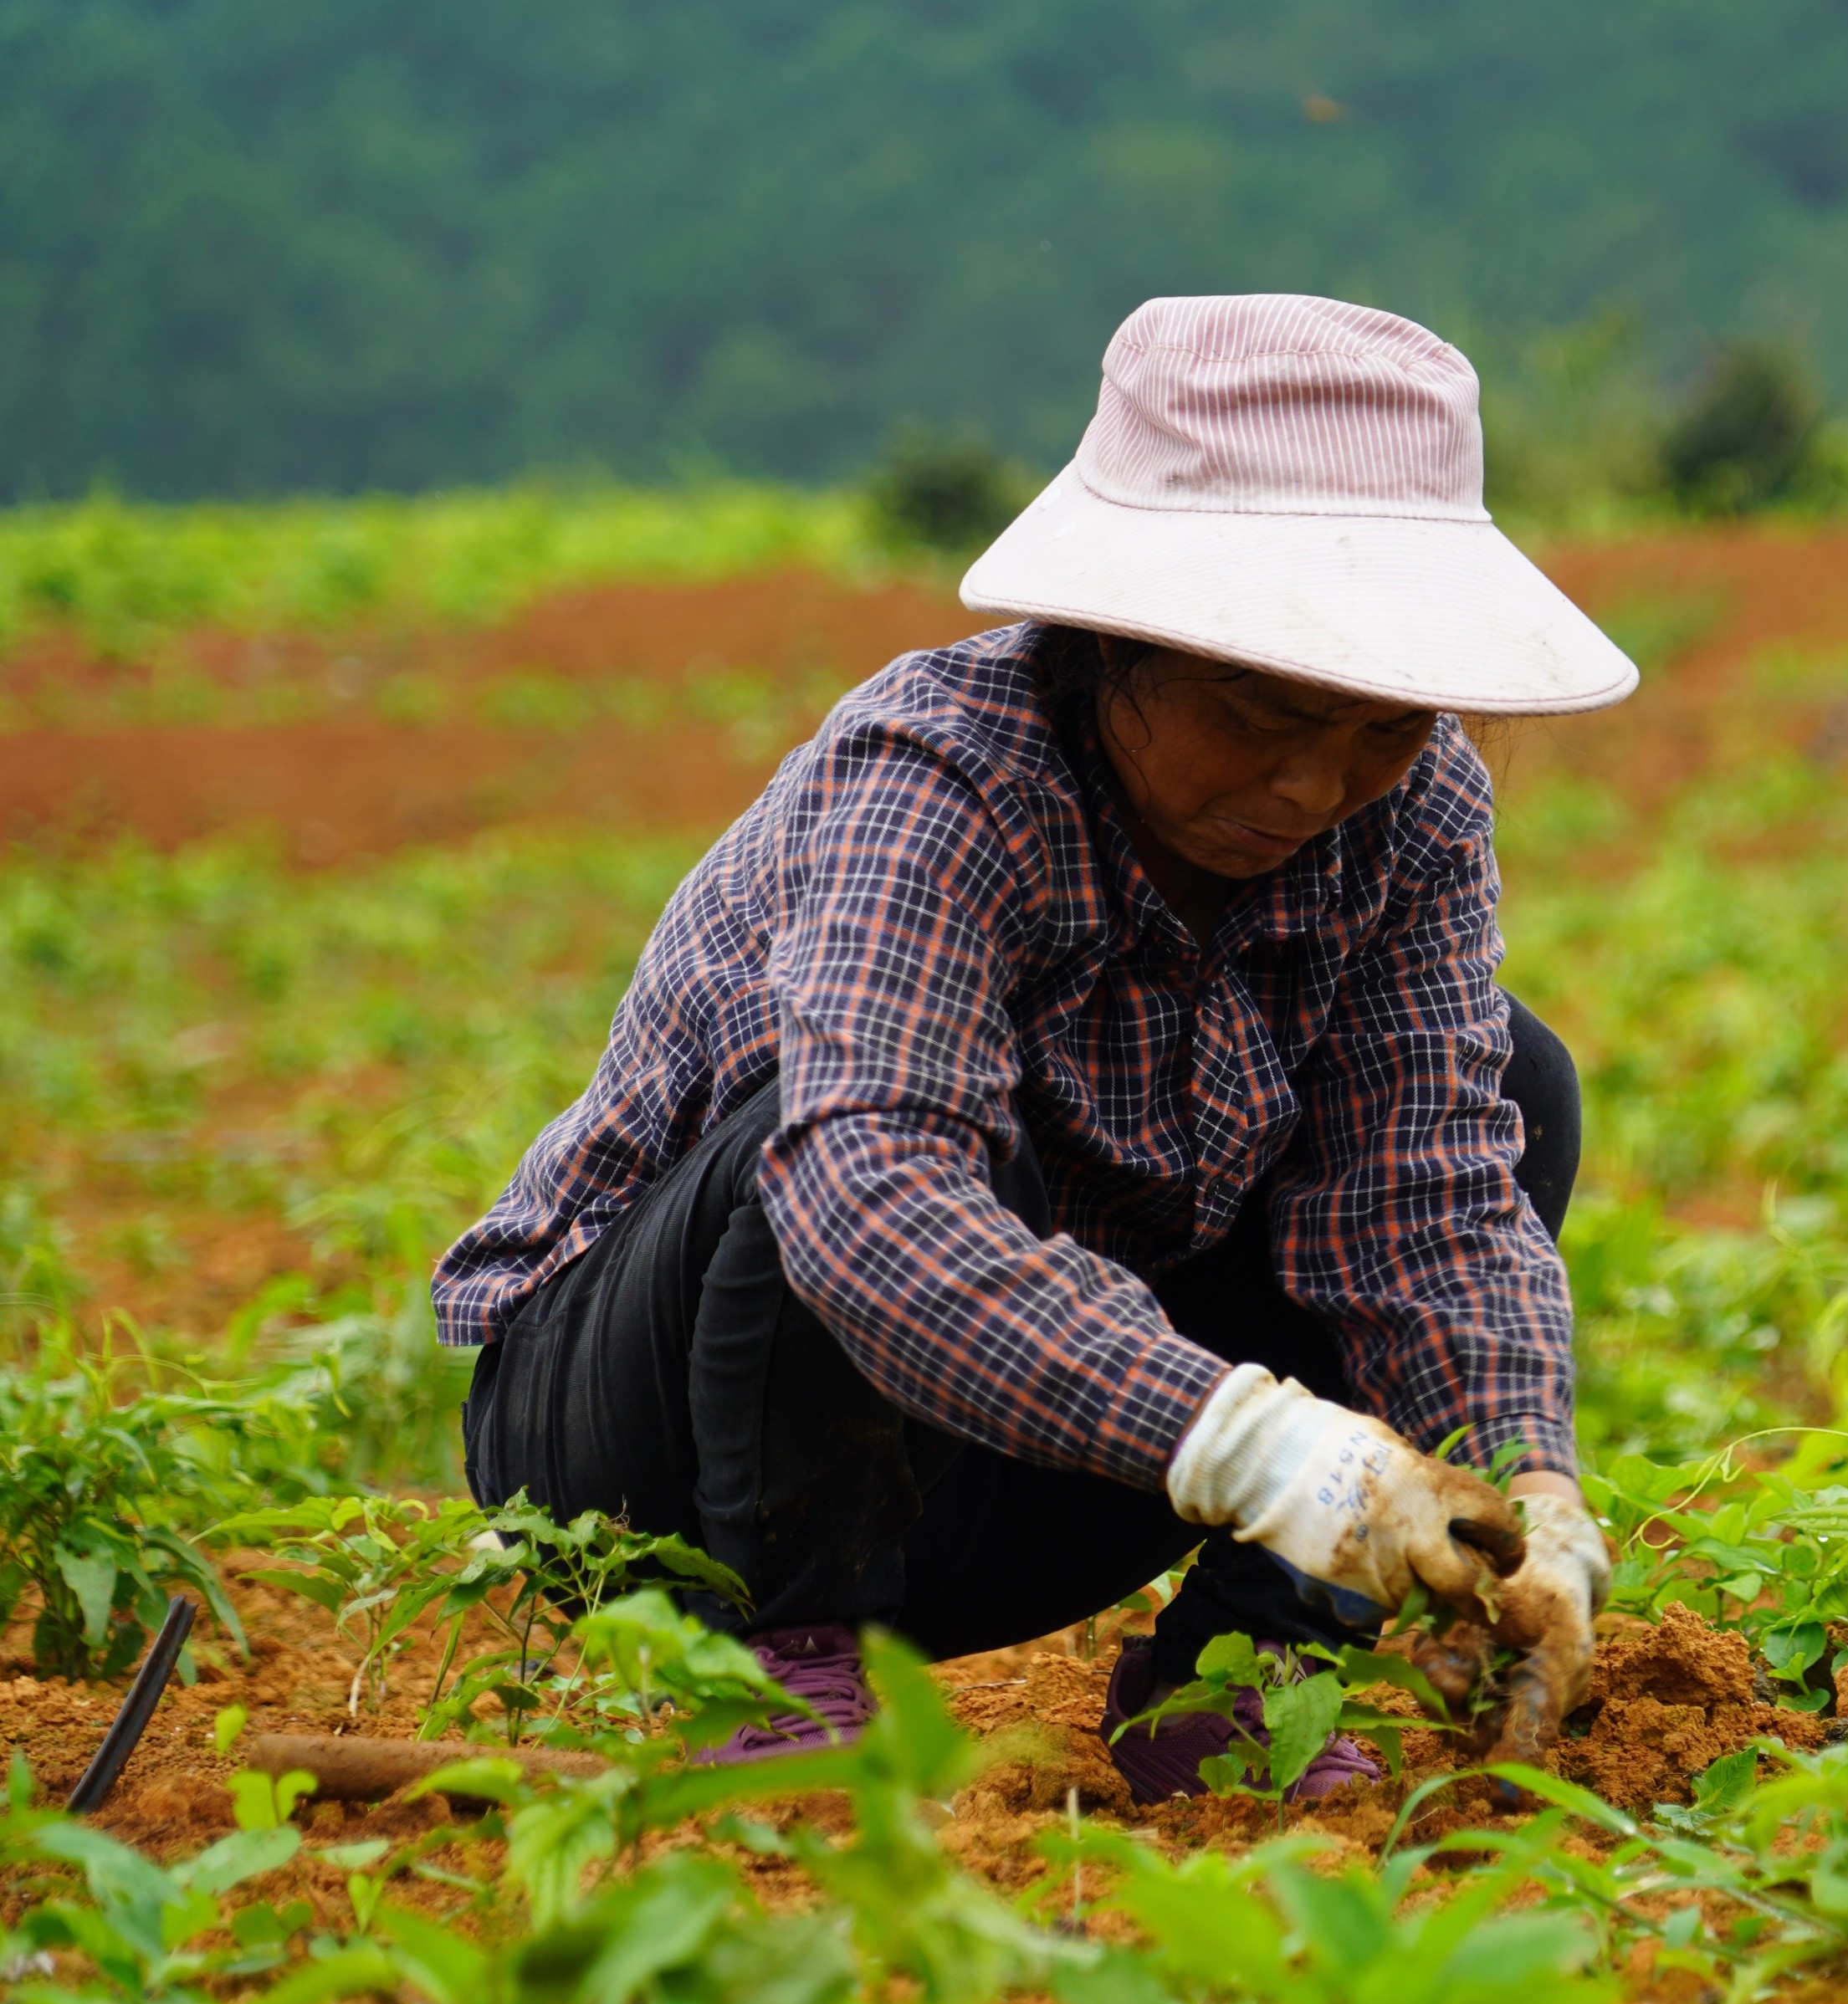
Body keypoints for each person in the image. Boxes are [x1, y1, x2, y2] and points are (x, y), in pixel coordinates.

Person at [432, 295, 1630, 1794]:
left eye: (1383, 727)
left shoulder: (1411, 809)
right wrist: (1264, 1454)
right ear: (1121, 642)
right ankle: (781, 1660)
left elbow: (1429, 1199)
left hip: (994, 1460)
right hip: (644, 1456)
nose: (1320, 781)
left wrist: (1522, 1481)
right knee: (828, 1140)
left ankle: (1251, 1678)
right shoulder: (942, 779)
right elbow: (869, 1207)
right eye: (1262, 711)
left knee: (1513, 1083)